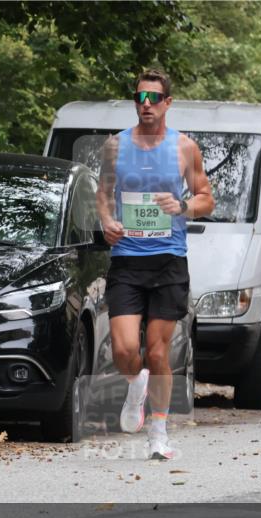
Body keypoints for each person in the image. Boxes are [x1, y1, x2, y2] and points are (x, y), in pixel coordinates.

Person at [96, 68, 215, 460]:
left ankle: (158, 434)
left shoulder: (185, 147)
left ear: (167, 103)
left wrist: (182, 205)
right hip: (127, 260)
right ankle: (136, 384)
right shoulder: (115, 146)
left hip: (168, 261)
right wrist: (107, 222)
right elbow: (103, 194)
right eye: (140, 98)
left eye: (154, 98)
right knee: (124, 348)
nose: (146, 104)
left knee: (158, 351)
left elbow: (206, 198)